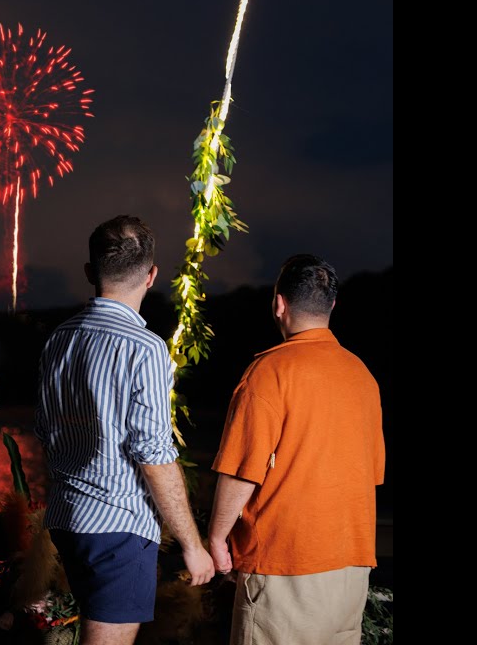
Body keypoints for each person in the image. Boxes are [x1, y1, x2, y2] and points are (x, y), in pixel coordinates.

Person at [35, 215, 215, 645]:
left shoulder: (58, 339)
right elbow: (153, 454)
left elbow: (44, 430)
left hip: (66, 520)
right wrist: (192, 544)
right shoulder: (145, 348)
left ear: (89, 272)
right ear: (152, 275)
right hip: (118, 528)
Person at [207, 254, 386, 645]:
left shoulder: (270, 372)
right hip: (351, 568)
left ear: (279, 304)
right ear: (332, 306)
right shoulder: (363, 376)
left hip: (285, 567)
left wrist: (218, 539)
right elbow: (369, 474)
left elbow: (241, 471)